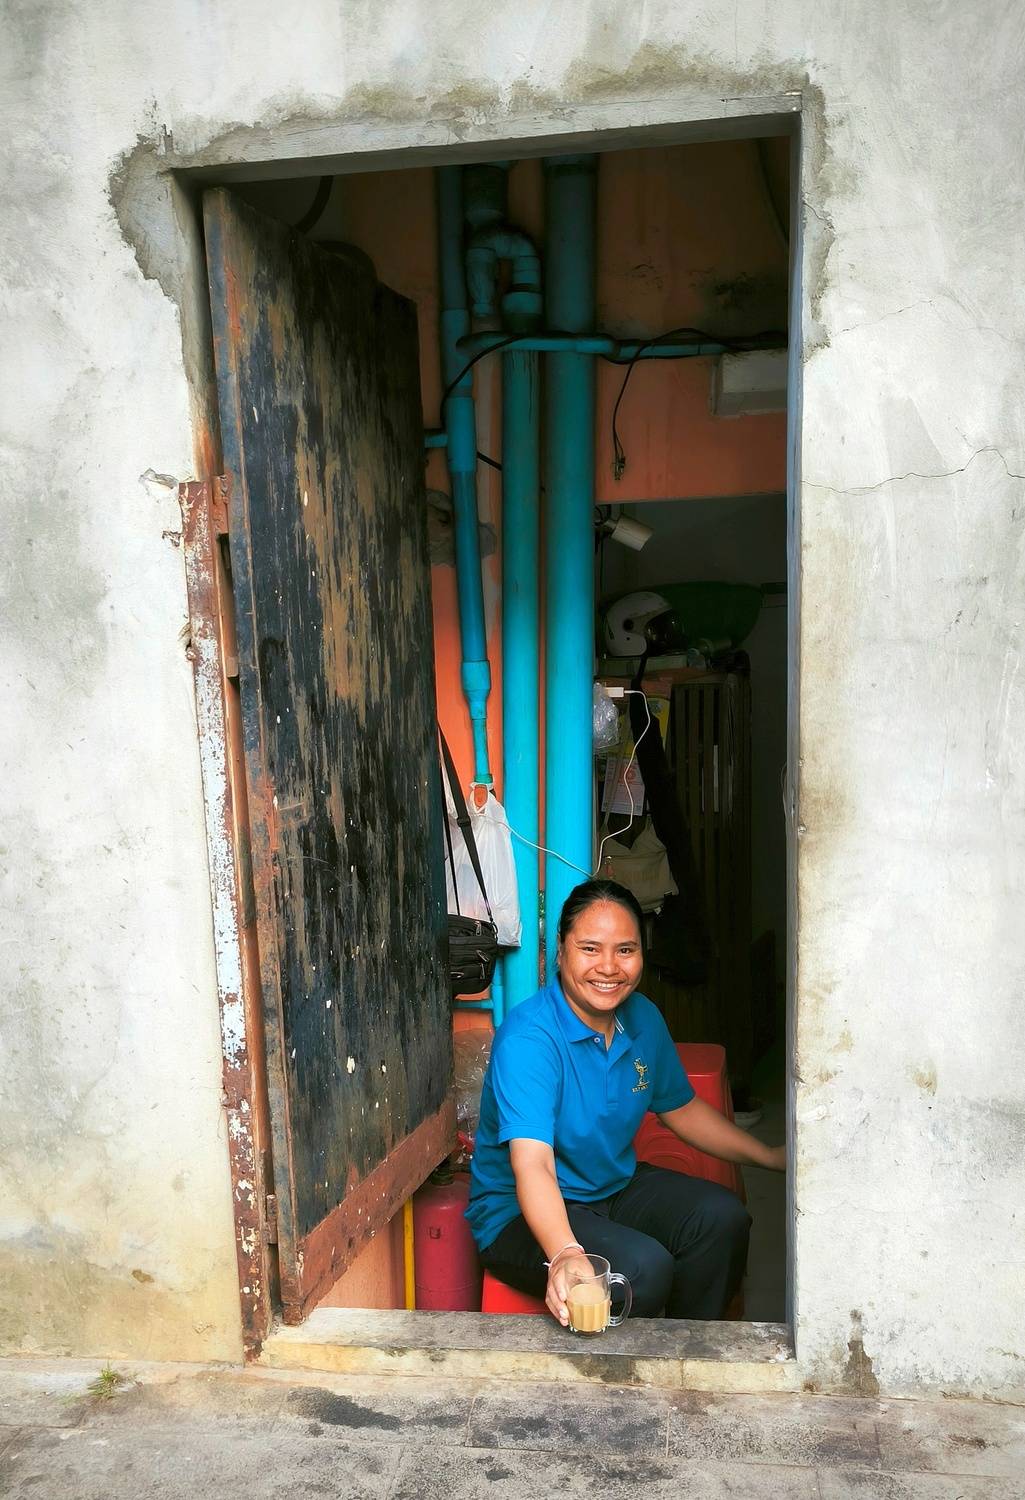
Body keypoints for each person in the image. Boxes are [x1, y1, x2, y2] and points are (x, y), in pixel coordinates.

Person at [466, 878, 786, 1325]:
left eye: (625, 950)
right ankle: (642, 1361)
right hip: (518, 1215)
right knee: (641, 1271)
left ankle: (686, 1348)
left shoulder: (643, 1018)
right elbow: (533, 1163)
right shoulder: (530, 1039)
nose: (609, 967)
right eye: (590, 949)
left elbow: (681, 1109)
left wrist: (771, 1157)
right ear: (561, 951)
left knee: (723, 1219)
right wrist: (565, 1251)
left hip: (612, 1186)